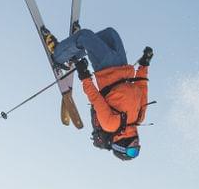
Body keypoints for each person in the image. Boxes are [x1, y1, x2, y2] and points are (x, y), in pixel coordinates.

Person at [50, 27, 152, 161]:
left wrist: (84, 75)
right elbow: (141, 87)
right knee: (110, 34)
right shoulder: (139, 118)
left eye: (133, 151)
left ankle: (58, 55)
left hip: (107, 69)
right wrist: (144, 65)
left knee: (85, 36)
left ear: (121, 147)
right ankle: (73, 52)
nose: (136, 145)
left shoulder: (111, 124)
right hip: (124, 68)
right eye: (138, 148)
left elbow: (95, 98)